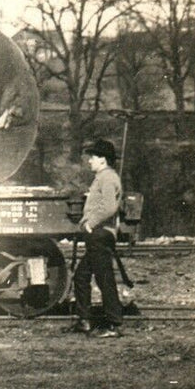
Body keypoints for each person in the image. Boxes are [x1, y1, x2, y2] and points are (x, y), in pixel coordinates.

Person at [71, 138, 124, 337]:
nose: (89, 161)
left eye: (92, 157)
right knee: (81, 276)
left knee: (104, 279)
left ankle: (114, 324)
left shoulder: (107, 178)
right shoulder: (103, 177)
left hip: (100, 234)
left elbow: (110, 207)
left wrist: (90, 223)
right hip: (98, 234)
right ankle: (84, 321)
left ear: (102, 159)